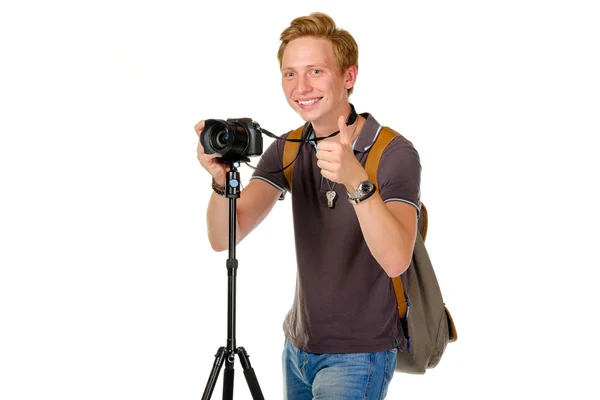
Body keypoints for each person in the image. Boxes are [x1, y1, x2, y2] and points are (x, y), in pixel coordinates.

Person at [194, 11, 421, 399]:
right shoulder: (288, 147)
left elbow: (397, 258)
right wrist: (221, 182)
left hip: (358, 353)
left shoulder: (392, 152)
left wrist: (356, 180)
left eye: (316, 71)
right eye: (290, 73)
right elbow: (224, 237)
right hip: (297, 347)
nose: (301, 87)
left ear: (348, 77)